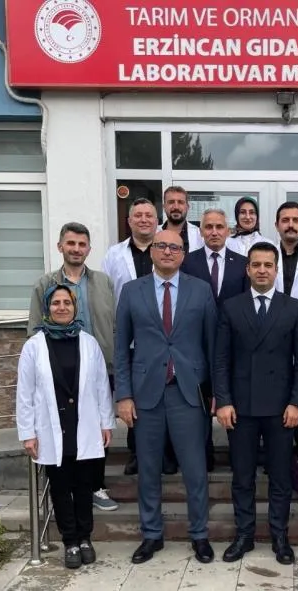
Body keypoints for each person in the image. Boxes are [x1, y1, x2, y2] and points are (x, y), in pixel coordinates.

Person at [114, 230, 218, 565]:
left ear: (184, 254)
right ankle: (151, 535)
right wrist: (123, 395)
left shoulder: (201, 290)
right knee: (148, 469)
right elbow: (121, 348)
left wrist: (216, 393)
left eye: (175, 247)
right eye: (162, 246)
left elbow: (213, 346)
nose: (168, 251)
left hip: (188, 393)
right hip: (146, 395)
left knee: (195, 470)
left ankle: (199, 535)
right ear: (152, 251)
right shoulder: (132, 291)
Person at [214, 242, 298, 566]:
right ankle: (244, 535)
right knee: (242, 477)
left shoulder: (293, 307)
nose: (262, 270)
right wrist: (223, 401)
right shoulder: (231, 307)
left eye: (268, 265)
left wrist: (297, 403)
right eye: (256, 264)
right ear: (248, 269)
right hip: (240, 409)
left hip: (281, 409)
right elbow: (221, 359)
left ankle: (280, 536)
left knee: (280, 477)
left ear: (276, 269)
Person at [17, 284, 114, 569]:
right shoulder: (34, 346)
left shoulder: (88, 343)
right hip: (51, 428)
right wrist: (28, 433)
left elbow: (101, 386)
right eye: (56, 303)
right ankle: (70, 541)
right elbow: (24, 392)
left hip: (84, 426)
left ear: (75, 307)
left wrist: (106, 422)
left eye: (67, 303)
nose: (61, 307)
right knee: (60, 489)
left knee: (85, 486)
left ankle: (85, 538)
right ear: (47, 308)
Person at [28, 222, 118, 512]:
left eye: (82, 244)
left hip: (99, 366)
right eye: (71, 243)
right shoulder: (45, 284)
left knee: (98, 427)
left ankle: (96, 486)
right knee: (65, 431)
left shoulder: (103, 282)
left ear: (89, 249)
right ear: (60, 247)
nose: (76, 249)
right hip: (61, 371)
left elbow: (114, 324)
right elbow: (34, 327)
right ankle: (63, 489)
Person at [101, 198, 178, 476]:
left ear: (157, 221)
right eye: (138, 215)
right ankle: (137, 453)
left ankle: (167, 453)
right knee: (136, 399)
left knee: (166, 396)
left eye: (149, 215)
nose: (144, 220)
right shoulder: (114, 255)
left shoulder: (167, 249)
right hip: (134, 338)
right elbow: (109, 295)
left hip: (165, 338)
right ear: (129, 221)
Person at [181, 208, 250, 471]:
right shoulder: (188, 262)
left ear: (228, 231)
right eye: (208, 227)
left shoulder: (242, 263)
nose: (214, 232)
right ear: (201, 231)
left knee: (231, 399)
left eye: (219, 227)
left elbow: (246, 304)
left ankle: (238, 457)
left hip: (232, 345)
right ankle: (204, 457)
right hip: (196, 344)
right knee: (199, 402)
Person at [161, 185, 205, 253]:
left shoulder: (199, 235)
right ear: (164, 207)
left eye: (180, 202)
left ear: (187, 207)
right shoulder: (154, 233)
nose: (176, 207)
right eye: (171, 202)